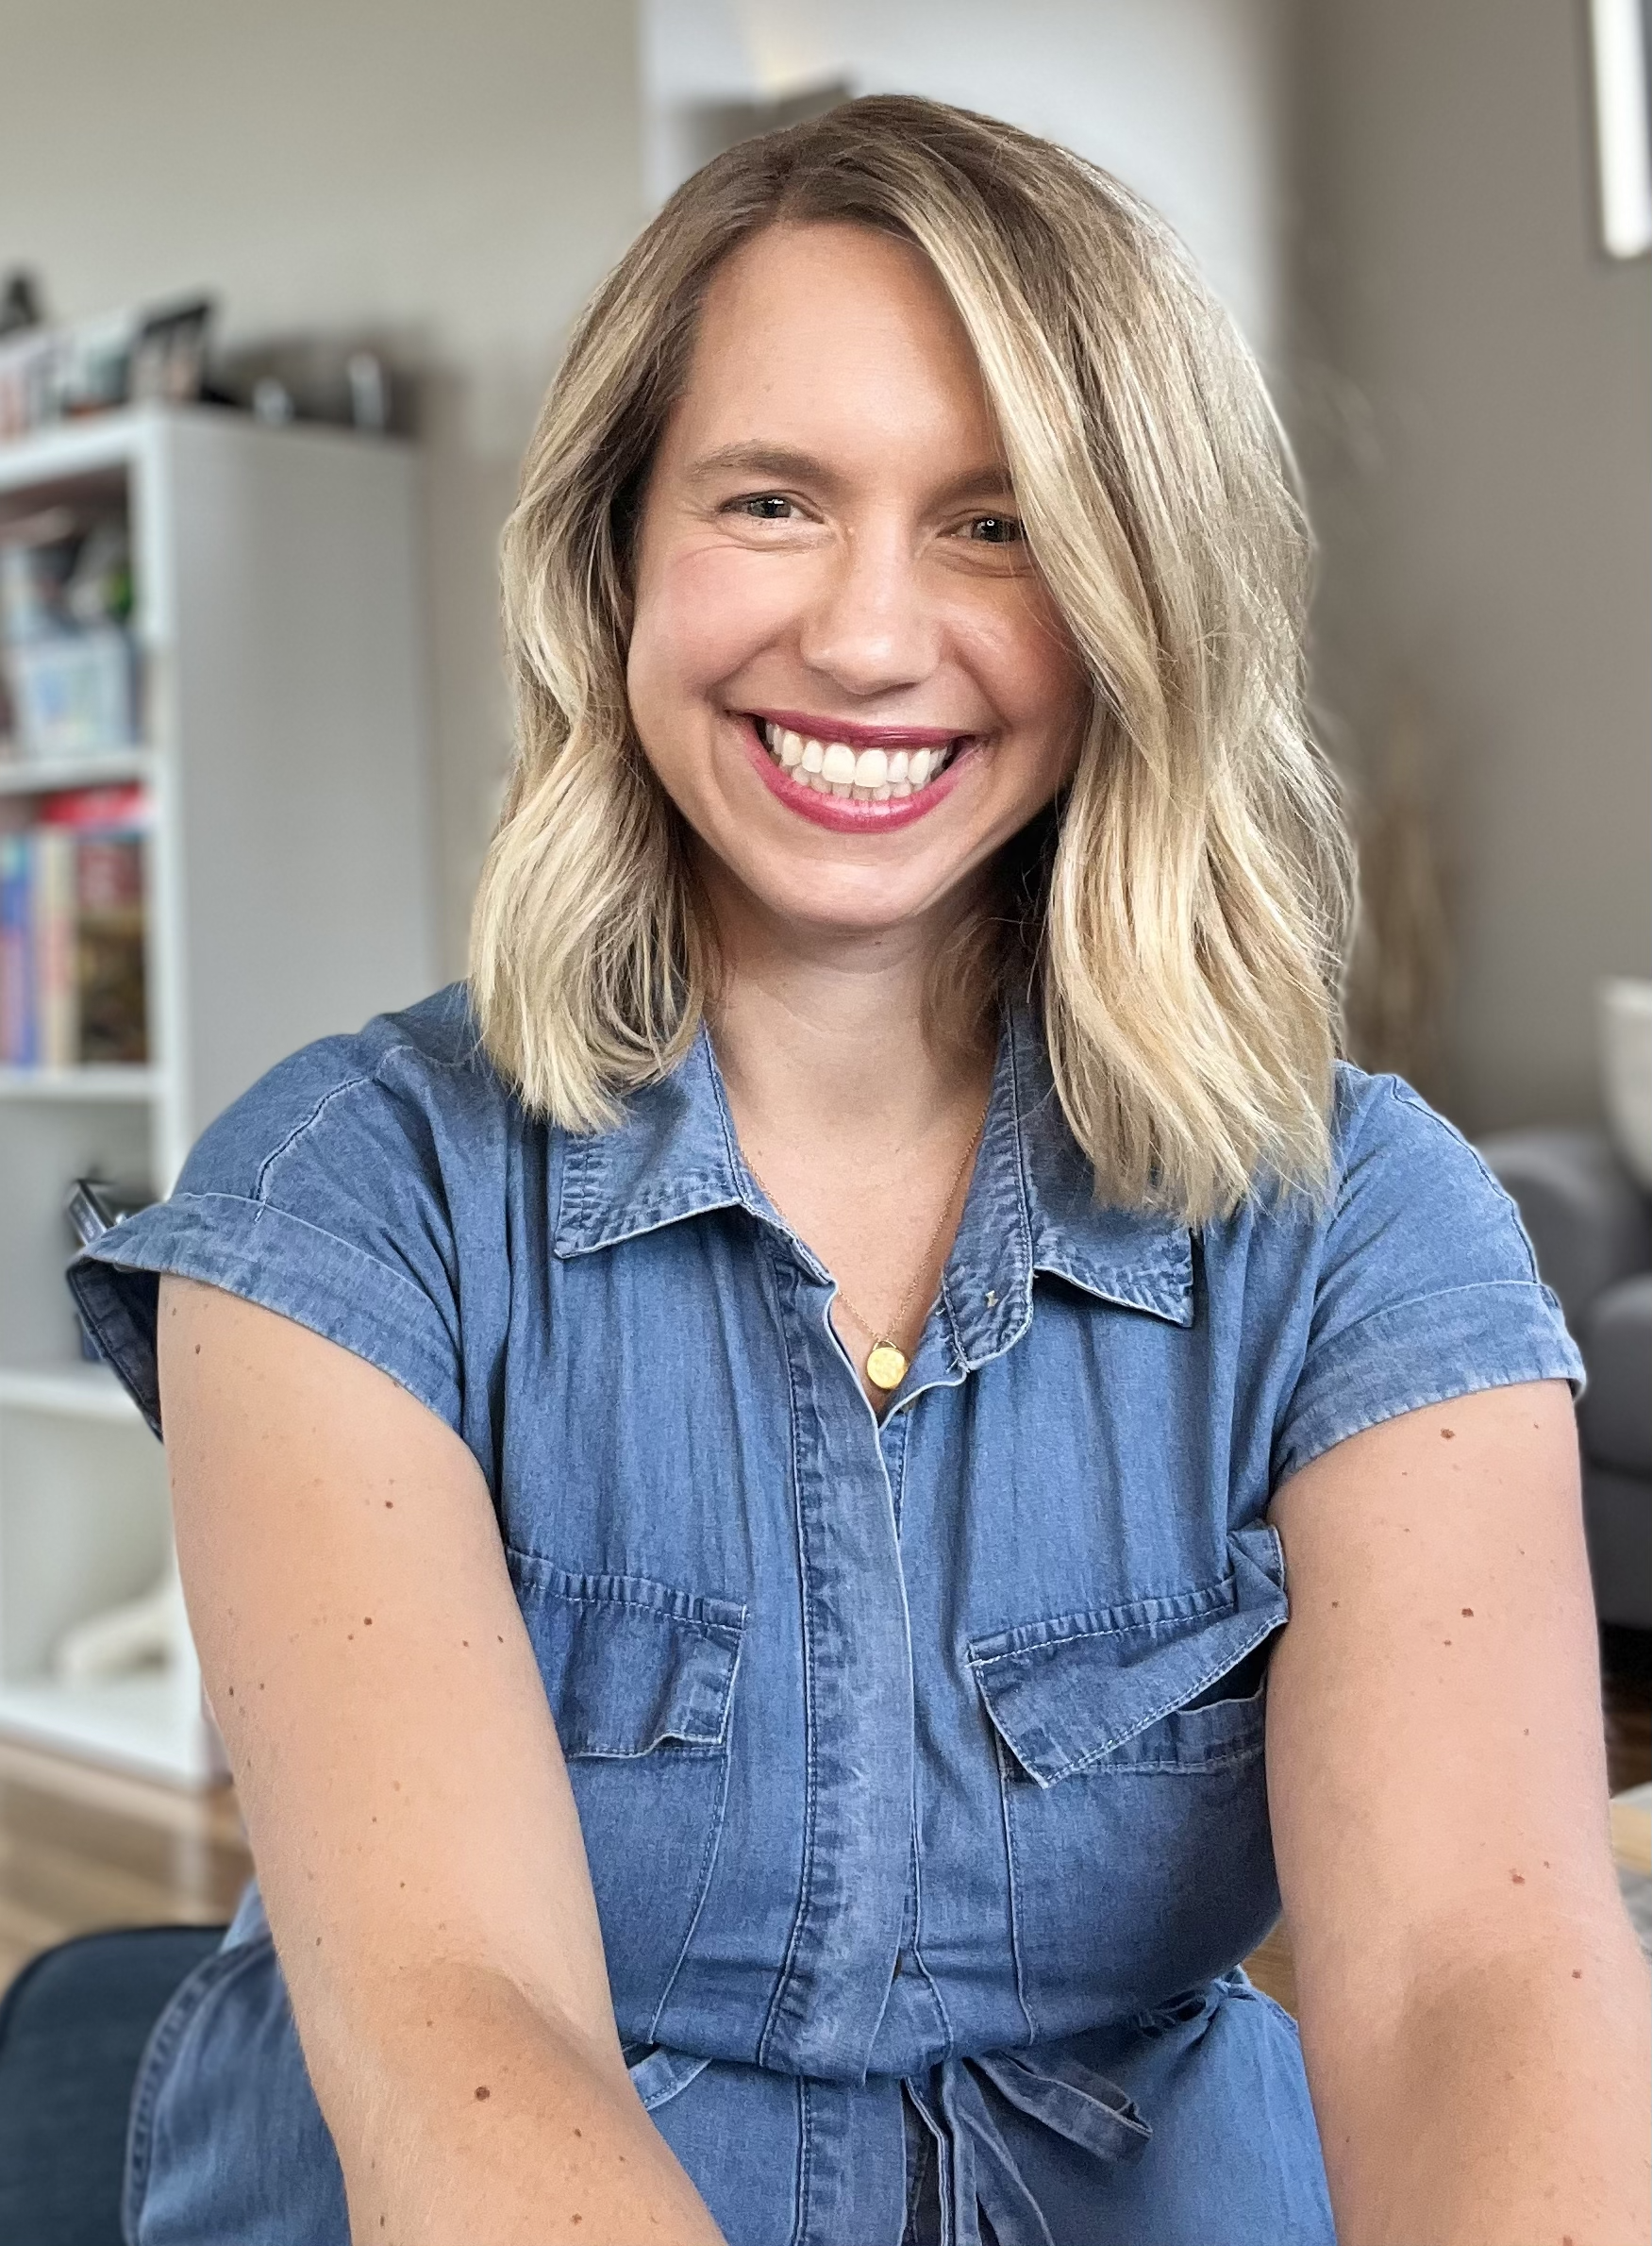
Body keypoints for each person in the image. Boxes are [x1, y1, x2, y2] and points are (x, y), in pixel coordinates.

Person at [73, 95, 1647, 2246]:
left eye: (995, 525)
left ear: (1129, 603)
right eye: (771, 498)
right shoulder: (345, 1203)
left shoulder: (1366, 1227)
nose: (870, 635)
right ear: (615, 549)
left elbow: (1476, 1974)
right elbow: (466, 2015)